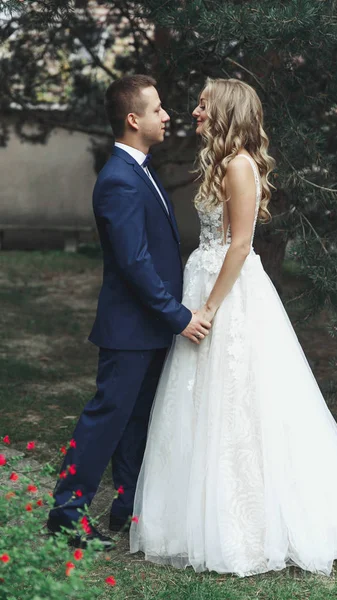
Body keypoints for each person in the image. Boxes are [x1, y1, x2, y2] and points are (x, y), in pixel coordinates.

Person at [130, 77, 337, 576]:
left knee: (241, 398)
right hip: (203, 280)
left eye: (204, 105)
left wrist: (207, 308)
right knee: (197, 397)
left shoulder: (241, 165)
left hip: (229, 295)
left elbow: (241, 245)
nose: (195, 112)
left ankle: (250, 521)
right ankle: (192, 514)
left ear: (225, 111)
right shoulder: (218, 163)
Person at [47, 75, 211, 549]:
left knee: (138, 419)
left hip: (150, 325)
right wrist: (178, 315)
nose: (168, 117)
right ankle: (66, 512)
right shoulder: (119, 179)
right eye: (158, 109)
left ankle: (127, 506)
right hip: (130, 326)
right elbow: (134, 262)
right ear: (133, 119)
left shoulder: (141, 169)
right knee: (107, 417)